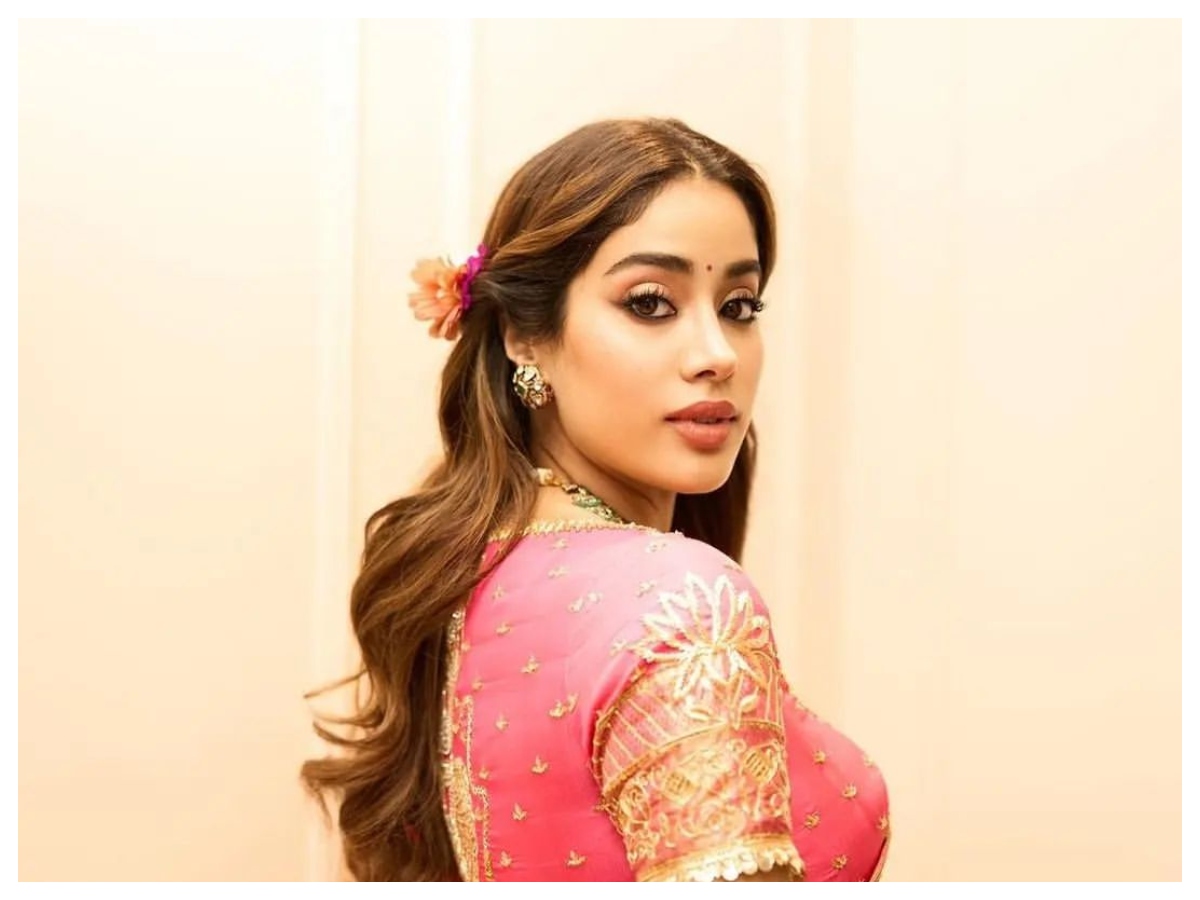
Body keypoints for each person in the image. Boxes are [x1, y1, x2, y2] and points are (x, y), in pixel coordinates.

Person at [301, 117, 890, 882]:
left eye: (739, 306)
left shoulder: (467, 577)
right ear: (523, 335)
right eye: (650, 303)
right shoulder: (682, 604)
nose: (717, 354)